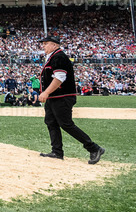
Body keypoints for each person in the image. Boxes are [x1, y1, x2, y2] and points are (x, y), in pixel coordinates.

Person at [36, 36, 105, 164]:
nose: (43, 46)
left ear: (54, 45)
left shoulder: (59, 57)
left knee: (66, 124)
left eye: (46, 44)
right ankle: (57, 151)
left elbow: (59, 77)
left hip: (62, 96)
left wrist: (46, 92)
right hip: (54, 97)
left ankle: (94, 148)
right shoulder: (52, 57)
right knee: (51, 122)